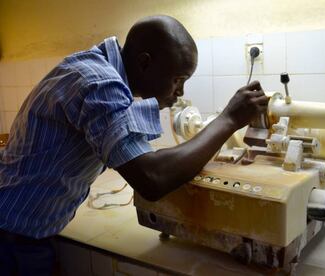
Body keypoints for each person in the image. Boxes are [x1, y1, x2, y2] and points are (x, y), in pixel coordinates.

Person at [0, 15, 268, 275]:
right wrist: (229, 119)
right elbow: (152, 178)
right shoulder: (100, 83)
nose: (181, 92)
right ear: (144, 63)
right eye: (178, 79)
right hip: (13, 239)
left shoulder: (95, 66)